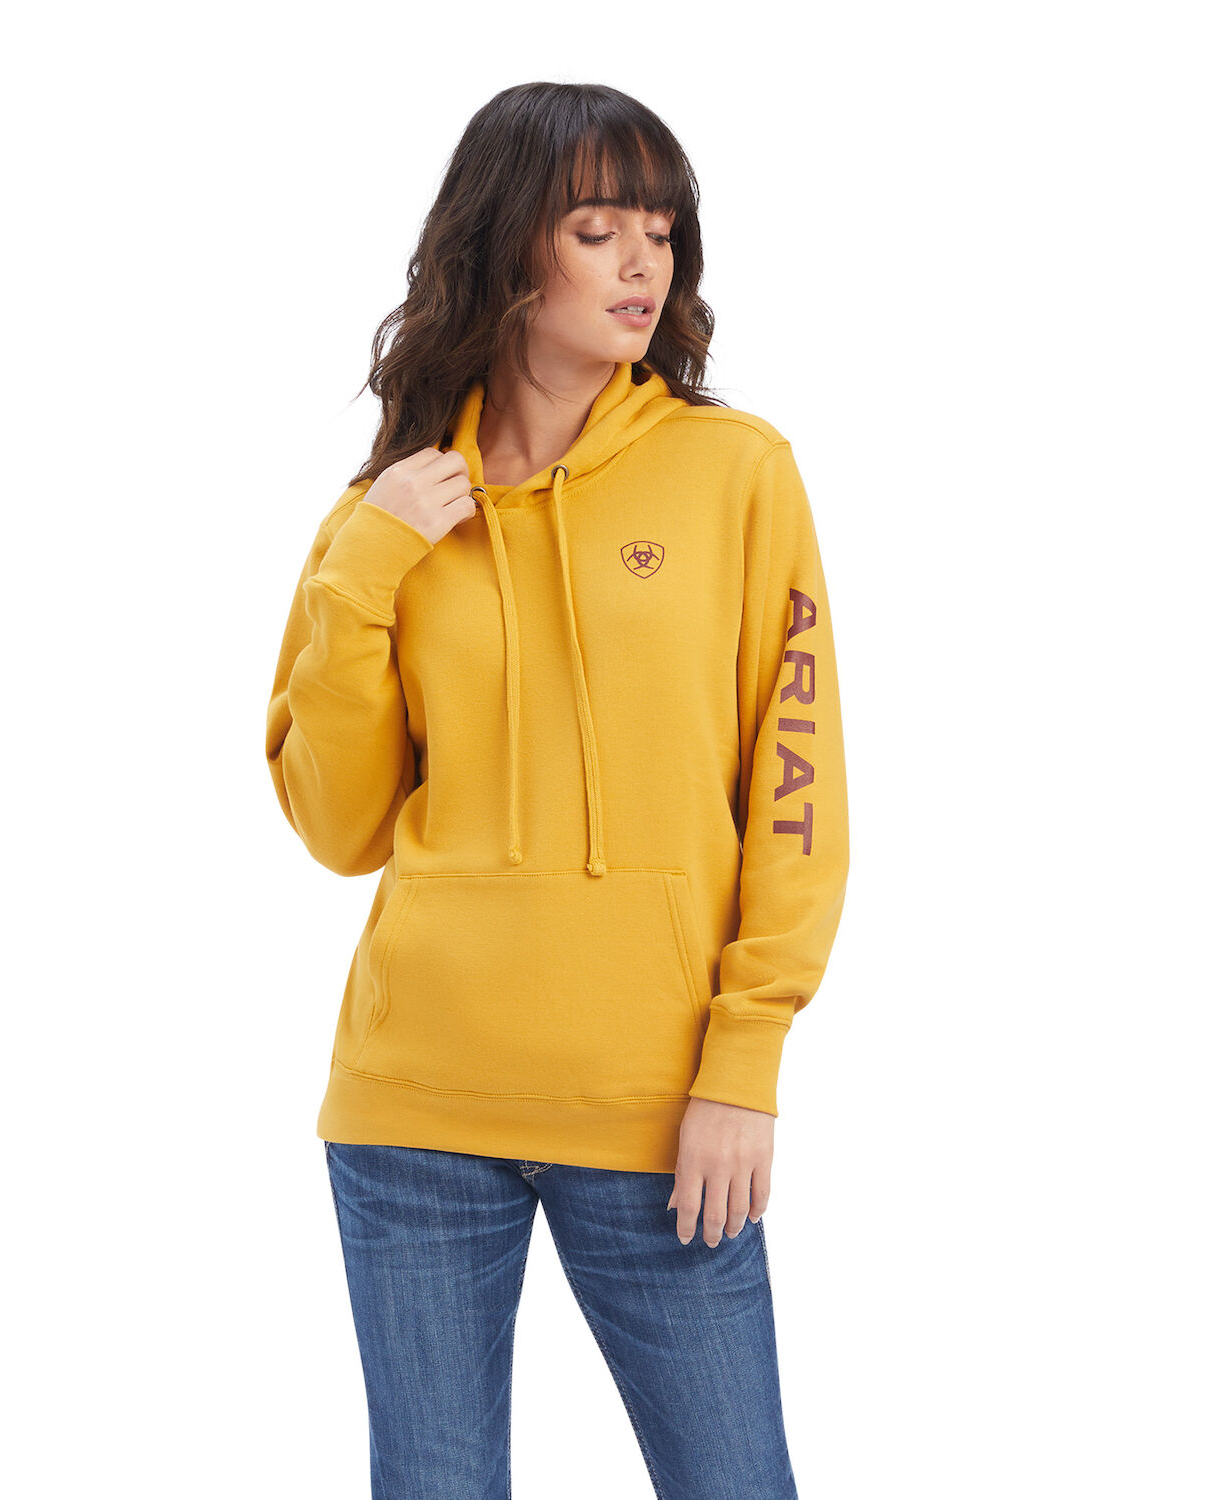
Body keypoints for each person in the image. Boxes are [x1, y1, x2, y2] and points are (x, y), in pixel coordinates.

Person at [264, 81, 849, 1500]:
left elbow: (797, 787)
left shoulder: (737, 474)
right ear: (507, 249)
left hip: (658, 1111)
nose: (642, 264)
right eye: (598, 231)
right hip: (412, 1113)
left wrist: (746, 1062)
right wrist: (364, 568)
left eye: (660, 230)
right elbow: (340, 826)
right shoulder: (392, 509)